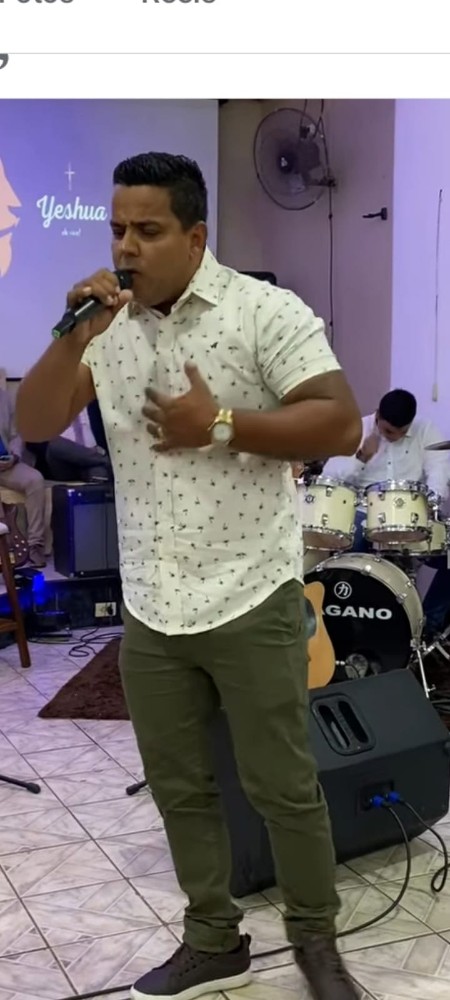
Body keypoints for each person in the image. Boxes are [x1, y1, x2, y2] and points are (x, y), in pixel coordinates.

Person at [16, 151, 362, 1000]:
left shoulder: (263, 311)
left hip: (250, 591)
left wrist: (222, 423)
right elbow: (34, 421)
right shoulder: (107, 328)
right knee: (180, 788)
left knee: (282, 785)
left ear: (196, 237)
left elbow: (340, 421)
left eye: (148, 230)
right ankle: (213, 939)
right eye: (117, 230)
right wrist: (72, 337)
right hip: (152, 603)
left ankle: (316, 942)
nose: (125, 248)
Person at [323, 388, 449, 552]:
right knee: (352, 538)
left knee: (440, 547)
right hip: (364, 511)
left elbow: (439, 471)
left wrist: (431, 504)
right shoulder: (358, 429)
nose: (396, 437)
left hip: (410, 513)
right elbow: (330, 479)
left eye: (403, 432)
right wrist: (361, 458)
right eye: (389, 431)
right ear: (378, 415)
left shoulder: (425, 430)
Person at [0, 386, 46, 567]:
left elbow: (16, 435)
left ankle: (35, 545)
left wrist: (14, 456)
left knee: (35, 479)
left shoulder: (4, 398)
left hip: (6, 464)